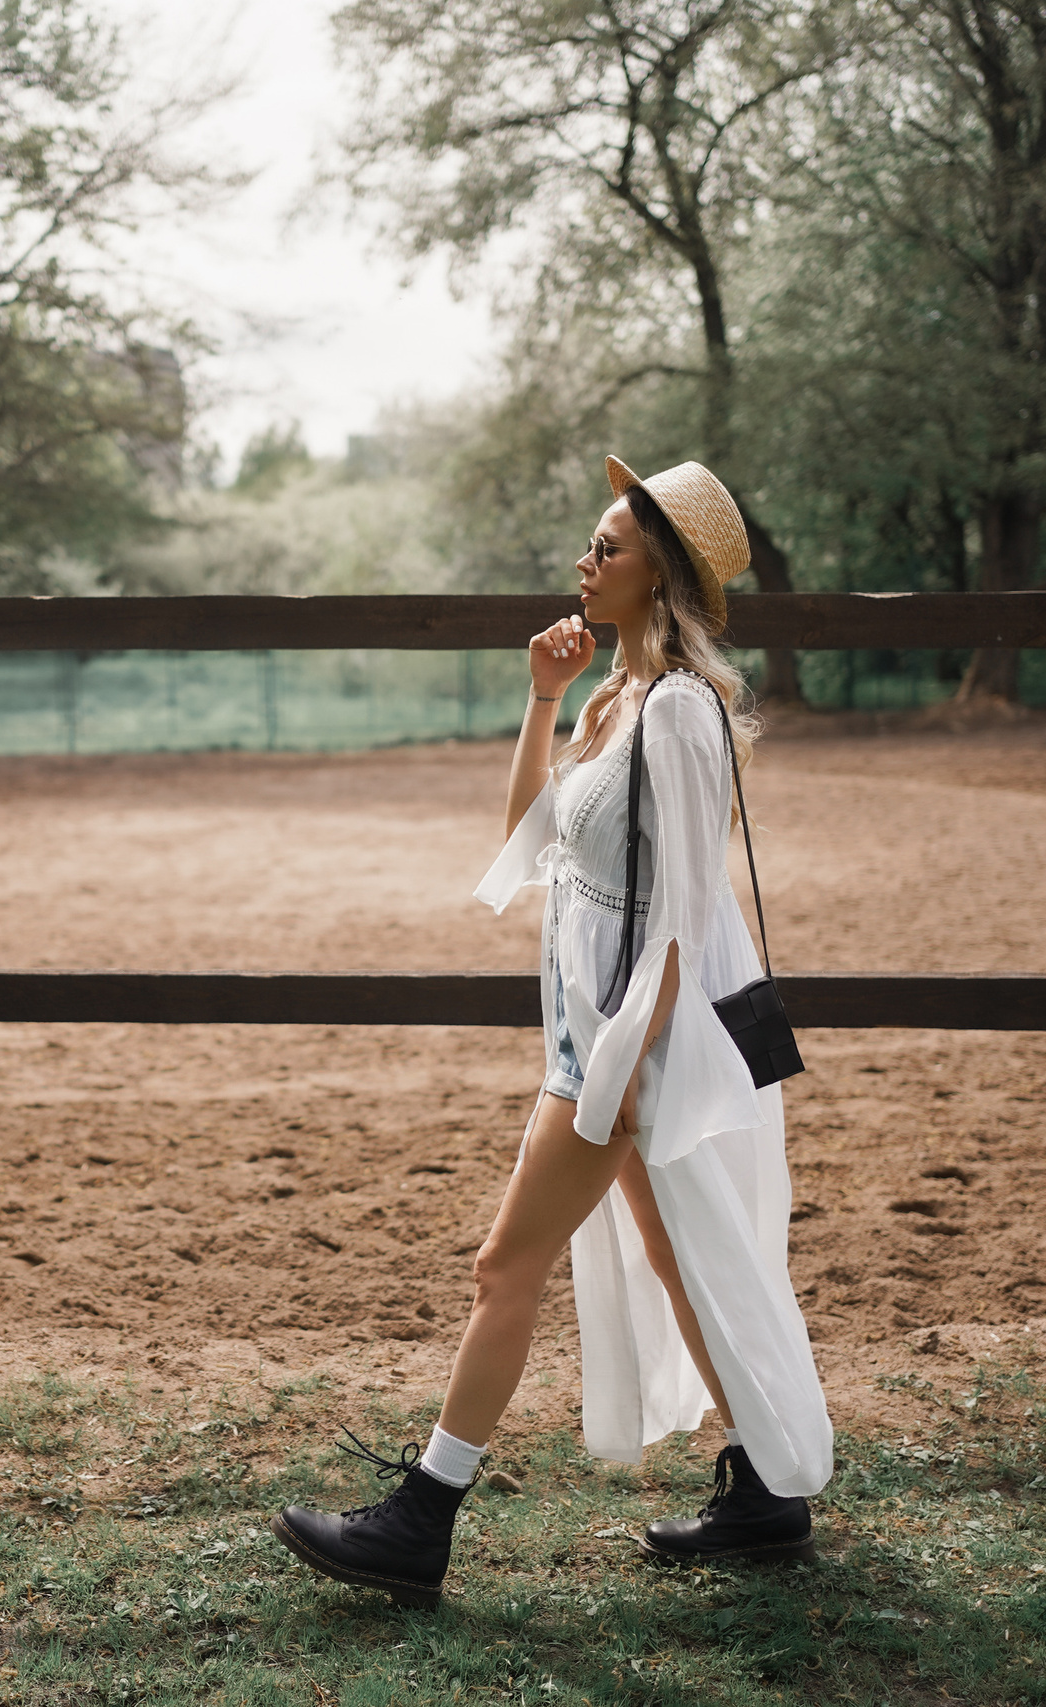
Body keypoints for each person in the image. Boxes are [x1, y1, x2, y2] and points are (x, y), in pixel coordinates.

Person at [269, 455, 835, 1609]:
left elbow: (682, 912)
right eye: (590, 545)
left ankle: (420, 1519)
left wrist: (625, 1070)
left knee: (501, 1265)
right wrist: (539, 695)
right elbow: (531, 842)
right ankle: (770, 1497)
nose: (585, 563)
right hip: (592, 1035)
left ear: (660, 574)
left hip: (627, 1046)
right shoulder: (613, 701)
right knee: (678, 1257)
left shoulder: (677, 714)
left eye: (607, 549)